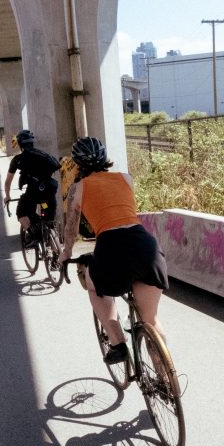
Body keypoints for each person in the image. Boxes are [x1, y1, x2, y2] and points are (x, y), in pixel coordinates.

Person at [60, 136, 169, 364]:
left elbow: (71, 228)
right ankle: (166, 381)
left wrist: (66, 252)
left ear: (78, 163)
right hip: (144, 244)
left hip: (111, 247)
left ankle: (118, 343)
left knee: (94, 286)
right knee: (151, 319)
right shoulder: (126, 178)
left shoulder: (78, 188)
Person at [3, 129, 60, 233]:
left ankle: (34, 235)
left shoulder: (17, 159)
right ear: (32, 142)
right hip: (48, 194)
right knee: (47, 215)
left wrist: (7, 196)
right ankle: (51, 234)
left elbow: (8, 181)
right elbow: (56, 166)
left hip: (33, 195)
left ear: (20, 144)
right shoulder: (44, 155)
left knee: (22, 213)